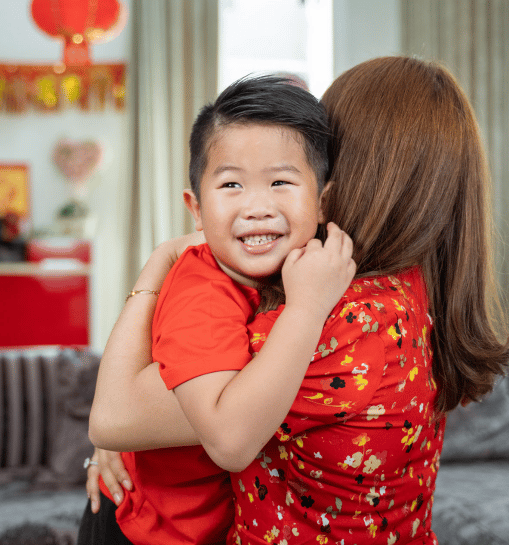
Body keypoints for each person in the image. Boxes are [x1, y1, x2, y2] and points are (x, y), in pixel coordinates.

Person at [87, 56, 509, 544]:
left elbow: (117, 420)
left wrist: (160, 260)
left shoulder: (333, 321)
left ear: (338, 179)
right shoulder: (410, 287)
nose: (261, 204)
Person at [78, 75, 356, 544]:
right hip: (146, 532)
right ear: (196, 208)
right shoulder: (201, 293)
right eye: (231, 184)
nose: (257, 206)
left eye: (281, 181)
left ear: (324, 200)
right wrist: (308, 307)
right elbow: (230, 441)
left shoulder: (300, 266)